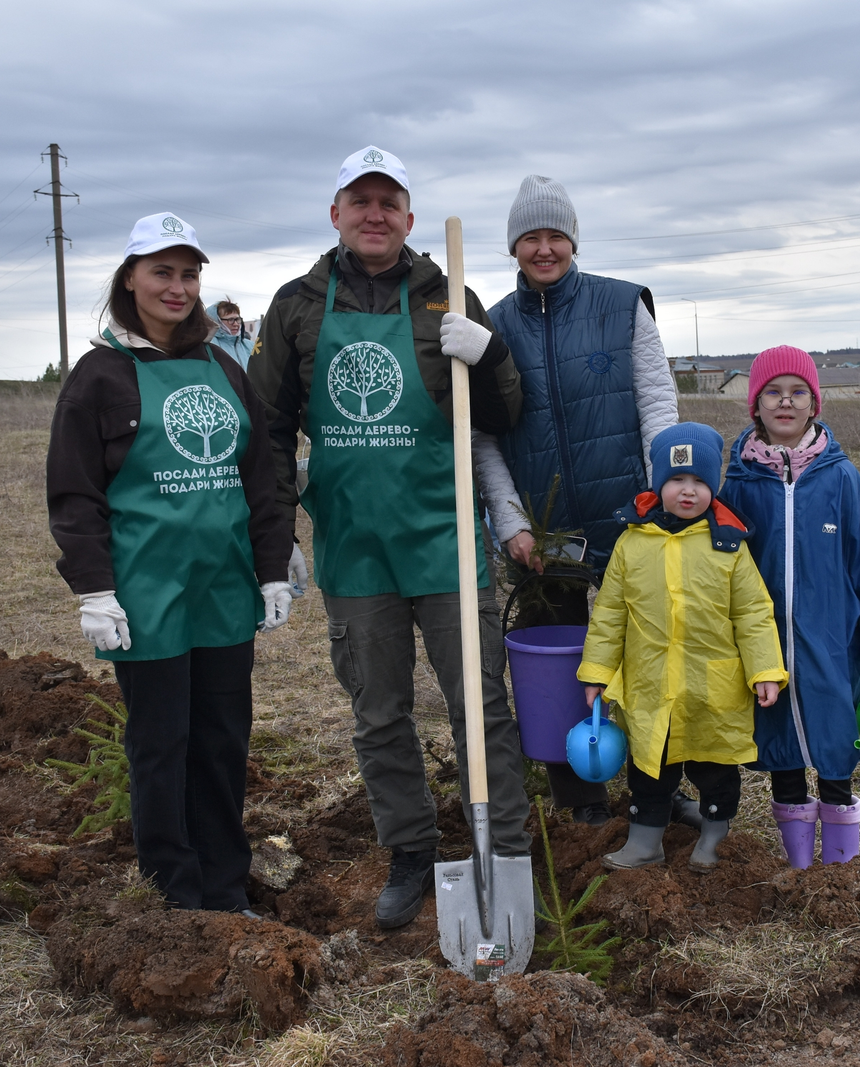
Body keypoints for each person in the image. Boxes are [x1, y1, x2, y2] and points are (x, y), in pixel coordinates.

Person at [248, 146, 532, 930]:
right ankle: (410, 850)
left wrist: (493, 352)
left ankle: (502, 848)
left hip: (445, 540)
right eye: (359, 201)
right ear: (335, 213)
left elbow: (504, 413)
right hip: (354, 544)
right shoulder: (298, 305)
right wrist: (279, 537)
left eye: (389, 202)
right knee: (379, 712)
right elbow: (267, 431)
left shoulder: (449, 295)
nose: (374, 215)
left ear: (408, 217)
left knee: (481, 705)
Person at [46, 212, 294, 913]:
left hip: (221, 586)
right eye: (162, 272)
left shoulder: (222, 366)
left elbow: (260, 479)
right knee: (162, 744)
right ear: (131, 279)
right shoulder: (99, 376)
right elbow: (74, 493)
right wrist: (94, 589)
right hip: (146, 592)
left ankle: (225, 884)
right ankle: (175, 893)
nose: (178, 287)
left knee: (221, 741)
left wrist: (271, 564)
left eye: (189, 274)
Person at [473, 174, 679, 826]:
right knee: (560, 665)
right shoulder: (495, 326)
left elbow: (657, 404)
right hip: (545, 533)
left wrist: (661, 499)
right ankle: (579, 799)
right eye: (530, 237)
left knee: (650, 656)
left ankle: (660, 788)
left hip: (629, 517)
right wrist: (510, 521)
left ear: (572, 240)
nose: (543, 248)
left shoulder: (622, 307)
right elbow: (484, 438)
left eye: (554, 235)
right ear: (513, 246)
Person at [717, 346, 860, 868]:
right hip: (765, 645)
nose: (785, 402)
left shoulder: (841, 478)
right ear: (755, 405)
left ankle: (840, 867)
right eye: (772, 393)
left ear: (814, 404)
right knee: (778, 736)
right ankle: (800, 864)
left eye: (797, 392)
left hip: (832, 638)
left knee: (834, 733)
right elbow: (719, 568)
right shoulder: (737, 482)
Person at [575, 423, 787, 873]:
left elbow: (752, 613)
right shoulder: (632, 542)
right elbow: (610, 613)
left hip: (713, 690)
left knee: (716, 770)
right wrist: (596, 671)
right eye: (676, 480)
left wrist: (765, 669)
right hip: (651, 687)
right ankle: (645, 840)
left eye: (698, 482)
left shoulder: (728, 546)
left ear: (712, 487)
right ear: (657, 486)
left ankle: (714, 837)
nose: (687, 491)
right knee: (650, 768)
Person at [207, 299, 251, 368]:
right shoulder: (209, 346)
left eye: (237, 319)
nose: (236, 324)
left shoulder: (251, 346)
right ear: (216, 321)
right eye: (230, 320)